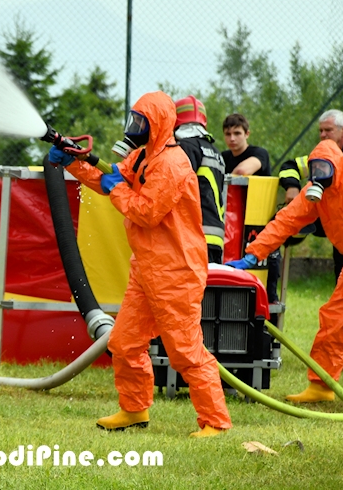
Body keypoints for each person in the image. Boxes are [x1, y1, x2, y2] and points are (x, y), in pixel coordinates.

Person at [50, 90, 232, 437]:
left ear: (159, 124)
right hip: (147, 269)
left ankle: (216, 422)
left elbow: (145, 212)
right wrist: (72, 161)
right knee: (125, 342)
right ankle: (134, 410)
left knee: (185, 351)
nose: (134, 127)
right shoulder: (144, 157)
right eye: (133, 120)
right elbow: (111, 178)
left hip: (177, 272)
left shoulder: (173, 165)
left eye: (140, 122)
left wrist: (115, 186)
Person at [227, 139, 343, 402]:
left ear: (338, 167)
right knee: (332, 321)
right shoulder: (316, 194)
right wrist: (254, 255)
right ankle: (321, 386)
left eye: (324, 168)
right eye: (314, 168)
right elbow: (285, 222)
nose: (319, 174)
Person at [278, 109, 343, 371]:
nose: (322, 135)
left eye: (327, 130)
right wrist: (291, 186)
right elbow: (288, 166)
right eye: (320, 131)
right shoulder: (319, 157)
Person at [221, 113, 282, 303]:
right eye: (228, 134)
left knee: (266, 277)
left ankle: (268, 322)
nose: (232, 138)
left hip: (259, 224)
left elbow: (242, 172)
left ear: (247, 133)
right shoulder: (222, 156)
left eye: (237, 133)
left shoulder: (259, 153)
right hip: (232, 227)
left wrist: (227, 177)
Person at [172, 95, 226, 264]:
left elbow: (173, 186)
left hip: (194, 235)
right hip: (215, 235)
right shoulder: (215, 152)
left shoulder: (186, 148)